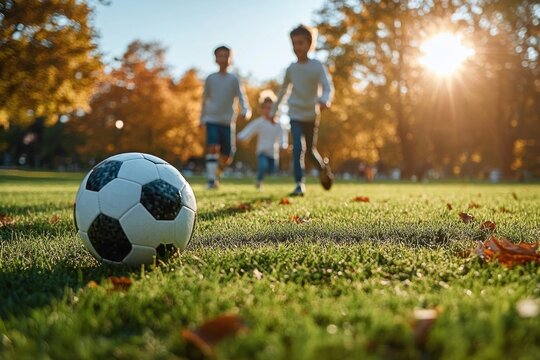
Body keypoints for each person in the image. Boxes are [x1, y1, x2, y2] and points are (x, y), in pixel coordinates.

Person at [271, 24, 334, 196]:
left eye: (300, 43)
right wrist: (273, 112)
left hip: (312, 114)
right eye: (294, 44)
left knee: (311, 151)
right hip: (295, 114)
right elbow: (283, 91)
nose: (297, 47)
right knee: (298, 148)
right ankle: (299, 184)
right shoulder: (291, 69)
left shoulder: (317, 66)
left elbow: (328, 87)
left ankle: (322, 169)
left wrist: (325, 100)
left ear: (309, 44)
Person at [200, 45, 251, 189]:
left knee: (227, 155)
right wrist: (201, 119)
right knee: (212, 147)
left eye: (226, 56)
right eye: (220, 56)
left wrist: (246, 110)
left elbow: (242, 97)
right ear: (215, 58)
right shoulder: (210, 78)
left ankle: (216, 172)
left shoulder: (234, 79)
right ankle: (211, 181)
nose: (223, 58)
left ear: (230, 59)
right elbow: (204, 100)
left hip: (228, 122)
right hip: (211, 119)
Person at [238, 90, 288, 189]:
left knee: (272, 170)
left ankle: (265, 182)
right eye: (265, 108)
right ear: (262, 109)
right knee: (263, 166)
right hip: (262, 152)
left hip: (273, 154)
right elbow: (249, 130)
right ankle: (259, 181)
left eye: (270, 108)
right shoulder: (260, 122)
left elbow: (282, 137)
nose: (267, 110)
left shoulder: (279, 125)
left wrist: (283, 145)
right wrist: (240, 137)